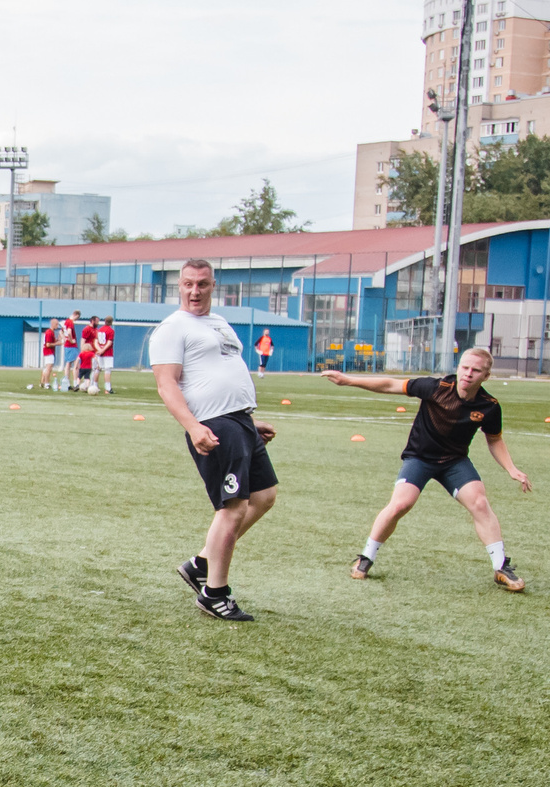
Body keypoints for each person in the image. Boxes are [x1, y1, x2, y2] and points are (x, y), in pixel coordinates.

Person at [326, 347, 530, 590]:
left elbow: (494, 439)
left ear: (486, 376)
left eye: (476, 370)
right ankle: (366, 557)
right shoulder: (436, 388)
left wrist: (511, 468)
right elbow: (391, 384)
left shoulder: (489, 407)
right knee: (401, 504)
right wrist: (348, 380)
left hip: (454, 462)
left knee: (480, 503)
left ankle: (500, 567)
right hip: (419, 458)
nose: (468, 374)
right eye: (464, 367)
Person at [152, 258, 276, 621]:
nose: (195, 291)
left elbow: (223, 371)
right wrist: (193, 426)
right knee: (233, 507)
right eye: (188, 283)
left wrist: (250, 422)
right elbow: (166, 384)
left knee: (264, 497)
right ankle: (214, 592)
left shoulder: (219, 324)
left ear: (212, 285)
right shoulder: (172, 328)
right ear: (179, 286)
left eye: (202, 284)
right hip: (213, 425)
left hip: (240, 422)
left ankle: (201, 563)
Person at [91, 315, 116, 393]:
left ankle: (95, 386)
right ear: (111, 322)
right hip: (107, 353)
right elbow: (109, 342)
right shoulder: (111, 330)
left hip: (99, 352)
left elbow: (95, 341)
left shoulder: (99, 330)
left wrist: (99, 349)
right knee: (107, 369)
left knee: (97, 369)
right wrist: (103, 350)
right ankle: (108, 388)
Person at [73, 309, 96, 394]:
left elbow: (78, 359)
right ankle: (88, 386)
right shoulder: (87, 329)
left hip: (82, 368)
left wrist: (76, 366)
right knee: (87, 377)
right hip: (88, 367)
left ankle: (77, 385)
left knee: (80, 377)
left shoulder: (83, 354)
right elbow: (83, 339)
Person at [36, 316, 57, 391]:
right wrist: (59, 343)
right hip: (49, 352)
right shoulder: (49, 332)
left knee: (47, 368)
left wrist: (59, 339)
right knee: (49, 368)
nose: (57, 326)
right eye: (56, 324)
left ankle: (42, 382)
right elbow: (48, 344)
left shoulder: (51, 332)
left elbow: (52, 341)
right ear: (53, 324)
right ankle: (46, 383)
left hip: (49, 352)